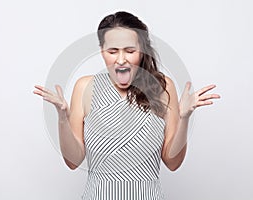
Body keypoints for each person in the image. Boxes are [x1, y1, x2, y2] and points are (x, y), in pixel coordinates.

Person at [33, 11, 220, 200]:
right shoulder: (85, 87)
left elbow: (173, 163)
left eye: (130, 51)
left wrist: (184, 118)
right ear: (101, 51)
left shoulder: (163, 87)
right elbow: (73, 161)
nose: (121, 59)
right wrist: (63, 117)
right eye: (112, 51)